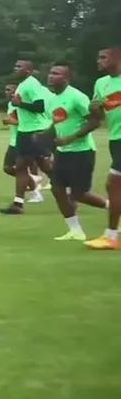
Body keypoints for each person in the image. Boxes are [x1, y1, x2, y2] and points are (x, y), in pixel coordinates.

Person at [45, 64, 106, 241]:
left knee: (79, 194)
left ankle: (114, 207)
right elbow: (58, 121)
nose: (51, 76)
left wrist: (70, 138)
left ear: (66, 78)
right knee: (57, 189)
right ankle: (76, 230)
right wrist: (45, 133)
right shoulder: (52, 99)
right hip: (62, 152)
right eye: (50, 73)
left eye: (56, 73)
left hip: (81, 151)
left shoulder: (77, 97)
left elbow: (94, 122)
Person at [0, 60, 54, 214]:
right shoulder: (23, 85)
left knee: (42, 166)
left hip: (35, 131)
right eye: (15, 66)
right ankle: (18, 204)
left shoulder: (31, 84)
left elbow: (39, 106)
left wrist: (20, 104)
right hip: (25, 131)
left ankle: (69, 186)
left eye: (19, 66)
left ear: (28, 70)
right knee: (22, 166)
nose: (15, 68)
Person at [86, 47, 121, 249]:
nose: (98, 61)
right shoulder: (101, 83)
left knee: (113, 184)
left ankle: (111, 236)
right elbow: (98, 116)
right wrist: (95, 109)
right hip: (115, 138)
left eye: (103, 57)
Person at [1, 84, 43, 203]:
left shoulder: (21, 105)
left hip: (19, 140)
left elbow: (24, 121)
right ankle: (35, 188)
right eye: (6, 90)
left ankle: (35, 181)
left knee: (11, 167)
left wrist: (10, 121)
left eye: (10, 90)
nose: (7, 92)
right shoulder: (11, 104)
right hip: (14, 140)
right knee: (9, 168)